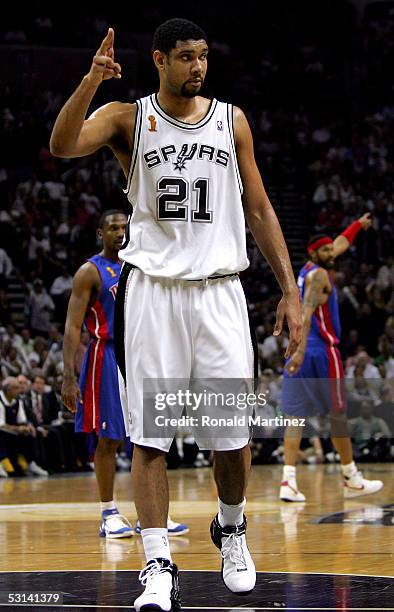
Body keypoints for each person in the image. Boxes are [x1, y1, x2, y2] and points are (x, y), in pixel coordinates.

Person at [50, 19, 301, 611]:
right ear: (160, 60)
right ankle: (157, 562)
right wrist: (90, 80)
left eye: (204, 57)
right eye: (186, 57)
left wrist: (288, 288)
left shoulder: (231, 119)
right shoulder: (126, 118)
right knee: (150, 436)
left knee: (231, 437)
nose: (198, 67)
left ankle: (231, 528)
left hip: (220, 293)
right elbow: (62, 145)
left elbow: (259, 208)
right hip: (155, 293)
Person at [61, 211, 188, 540]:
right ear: (100, 233)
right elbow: (73, 327)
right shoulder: (90, 272)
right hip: (107, 354)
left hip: (143, 354)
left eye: (125, 227)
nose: (121, 232)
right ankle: (108, 512)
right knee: (109, 438)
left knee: (151, 437)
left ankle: (153, 514)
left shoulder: (143, 265)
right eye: (113, 228)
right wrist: (68, 377)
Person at [280, 213, 384, 502]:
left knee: (295, 416)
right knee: (338, 415)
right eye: (325, 250)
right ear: (314, 252)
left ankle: (287, 481)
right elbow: (307, 312)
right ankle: (351, 476)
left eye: (330, 249)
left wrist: (356, 227)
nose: (331, 253)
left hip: (300, 348)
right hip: (321, 352)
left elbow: (338, 244)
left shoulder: (307, 270)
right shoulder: (321, 276)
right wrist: (300, 350)